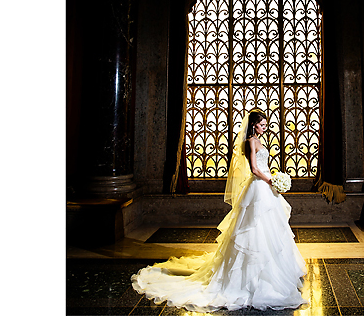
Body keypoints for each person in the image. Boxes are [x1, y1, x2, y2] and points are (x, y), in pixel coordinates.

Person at [131, 110, 308, 312]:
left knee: (271, 228)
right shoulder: (251, 141)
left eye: (265, 125)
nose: (264, 127)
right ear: (253, 125)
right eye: (262, 125)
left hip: (266, 187)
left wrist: (273, 178)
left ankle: (274, 269)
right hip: (260, 186)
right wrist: (271, 180)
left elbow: (263, 164)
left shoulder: (257, 139)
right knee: (253, 227)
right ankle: (248, 277)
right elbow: (254, 168)